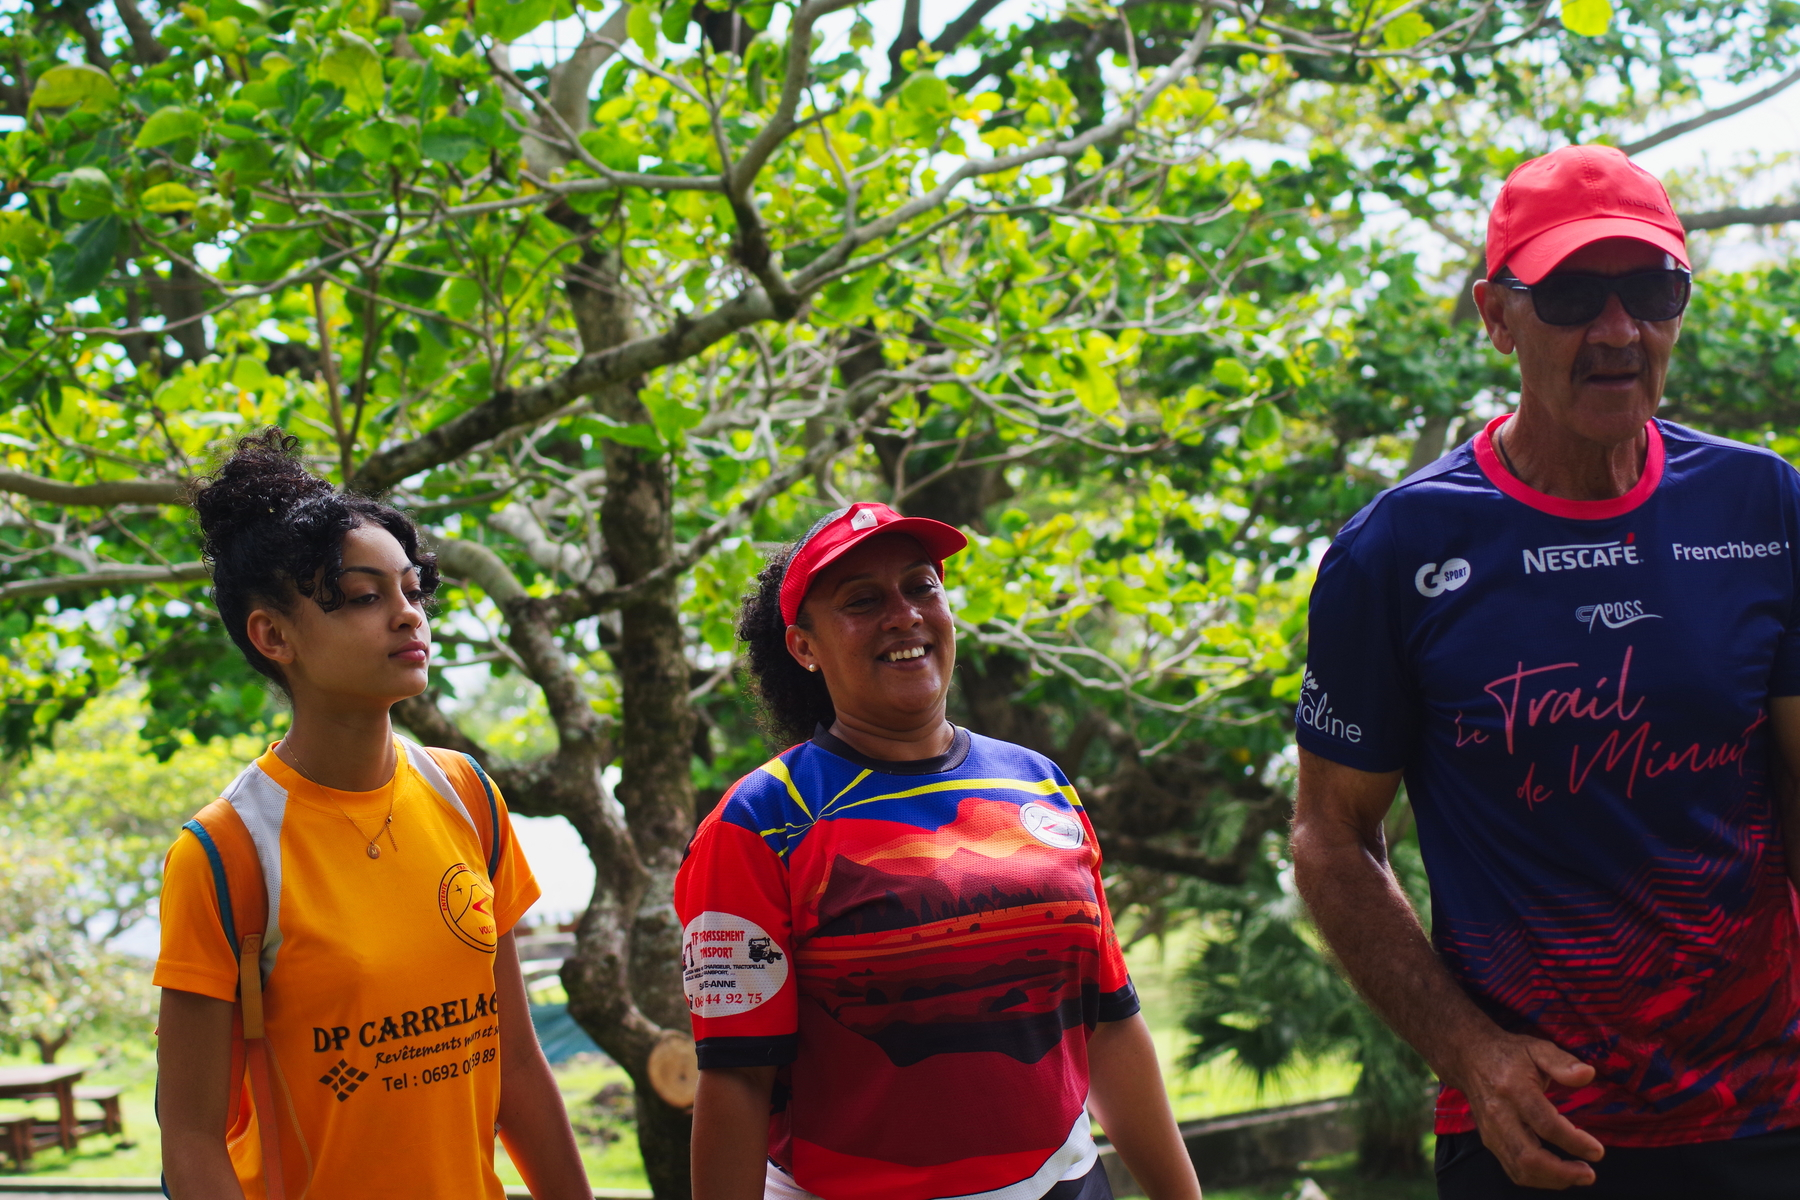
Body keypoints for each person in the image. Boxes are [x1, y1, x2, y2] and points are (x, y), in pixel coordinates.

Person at [1290, 143, 1800, 1198]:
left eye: (1651, 290)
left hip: (1769, 1107)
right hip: (1537, 1133)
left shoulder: (1764, 508)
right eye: (1571, 296)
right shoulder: (1396, 551)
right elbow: (1331, 837)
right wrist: (1470, 1054)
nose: (1618, 331)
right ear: (1496, 315)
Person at [676, 502, 1203, 1200]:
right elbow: (738, 1077)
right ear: (804, 648)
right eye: (863, 601)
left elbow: (1107, 1023)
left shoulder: (1040, 784)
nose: (904, 615)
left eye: (921, 586)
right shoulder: (759, 823)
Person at [154, 430, 588, 1199]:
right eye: (365, 597)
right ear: (272, 635)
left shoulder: (467, 796)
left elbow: (516, 1064)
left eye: (413, 590)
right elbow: (190, 1136)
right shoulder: (226, 853)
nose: (408, 616)